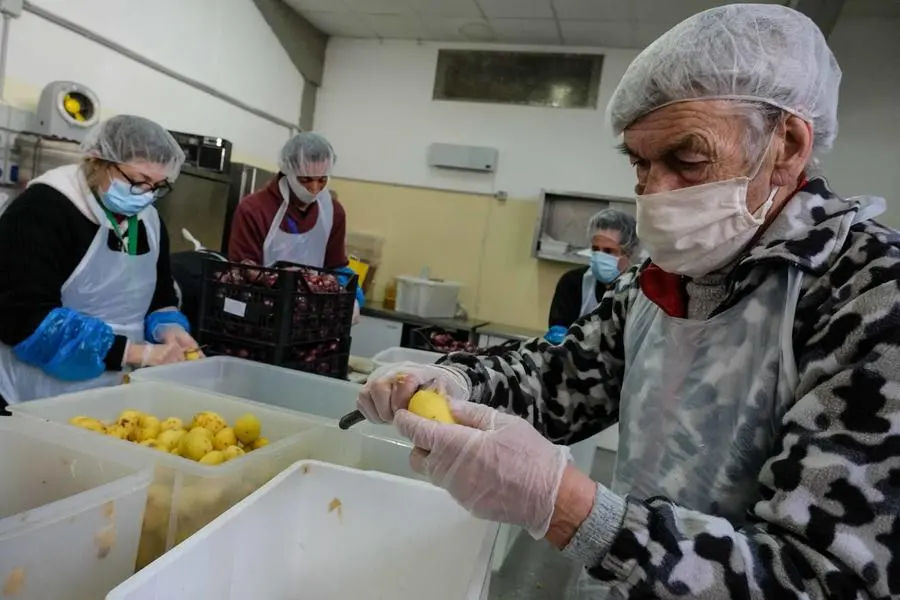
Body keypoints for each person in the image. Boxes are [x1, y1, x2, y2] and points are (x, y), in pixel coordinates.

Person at [356, 5, 900, 599]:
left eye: (687, 160)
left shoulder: (870, 296)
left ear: (787, 144)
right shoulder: (660, 277)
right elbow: (565, 376)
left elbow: (824, 579)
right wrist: (459, 382)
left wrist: (568, 508)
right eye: (641, 164)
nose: (654, 194)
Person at [0, 115, 201, 409]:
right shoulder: (43, 209)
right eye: (138, 181)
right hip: (34, 393)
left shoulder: (148, 221)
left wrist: (169, 328)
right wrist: (136, 354)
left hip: (113, 393)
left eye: (159, 186)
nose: (146, 195)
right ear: (98, 161)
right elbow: (22, 316)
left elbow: (159, 293)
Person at [228, 132, 363, 318]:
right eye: (305, 179)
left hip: (312, 317)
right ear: (287, 171)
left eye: (322, 179)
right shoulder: (254, 210)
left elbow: (336, 267)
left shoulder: (333, 212)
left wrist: (352, 296)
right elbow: (242, 271)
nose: (314, 188)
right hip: (262, 315)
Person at [545, 209, 638, 343]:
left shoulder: (637, 291)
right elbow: (557, 335)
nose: (600, 256)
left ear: (628, 253)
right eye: (595, 249)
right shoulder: (573, 282)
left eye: (608, 251)